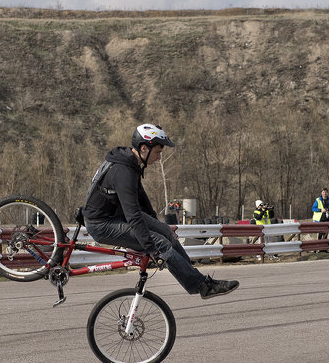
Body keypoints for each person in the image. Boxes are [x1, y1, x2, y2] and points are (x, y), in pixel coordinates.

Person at [83, 123, 239, 299]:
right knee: (160, 243)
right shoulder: (123, 171)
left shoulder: (130, 162)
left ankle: (200, 280)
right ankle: (201, 286)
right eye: (157, 152)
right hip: (101, 224)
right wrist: (151, 248)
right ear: (144, 148)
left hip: (115, 215)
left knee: (166, 232)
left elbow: (140, 195)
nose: (158, 158)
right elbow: (132, 214)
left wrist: (154, 221)